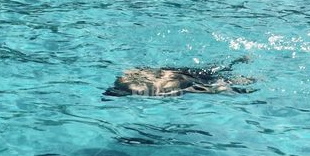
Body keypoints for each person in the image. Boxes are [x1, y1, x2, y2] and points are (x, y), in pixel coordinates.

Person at [104, 56, 255, 97]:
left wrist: (222, 90)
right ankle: (238, 61)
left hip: (189, 80)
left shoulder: (142, 89)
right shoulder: (126, 78)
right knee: (213, 71)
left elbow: (192, 89)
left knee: (221, 82)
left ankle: (249, 83)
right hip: (180, 72)